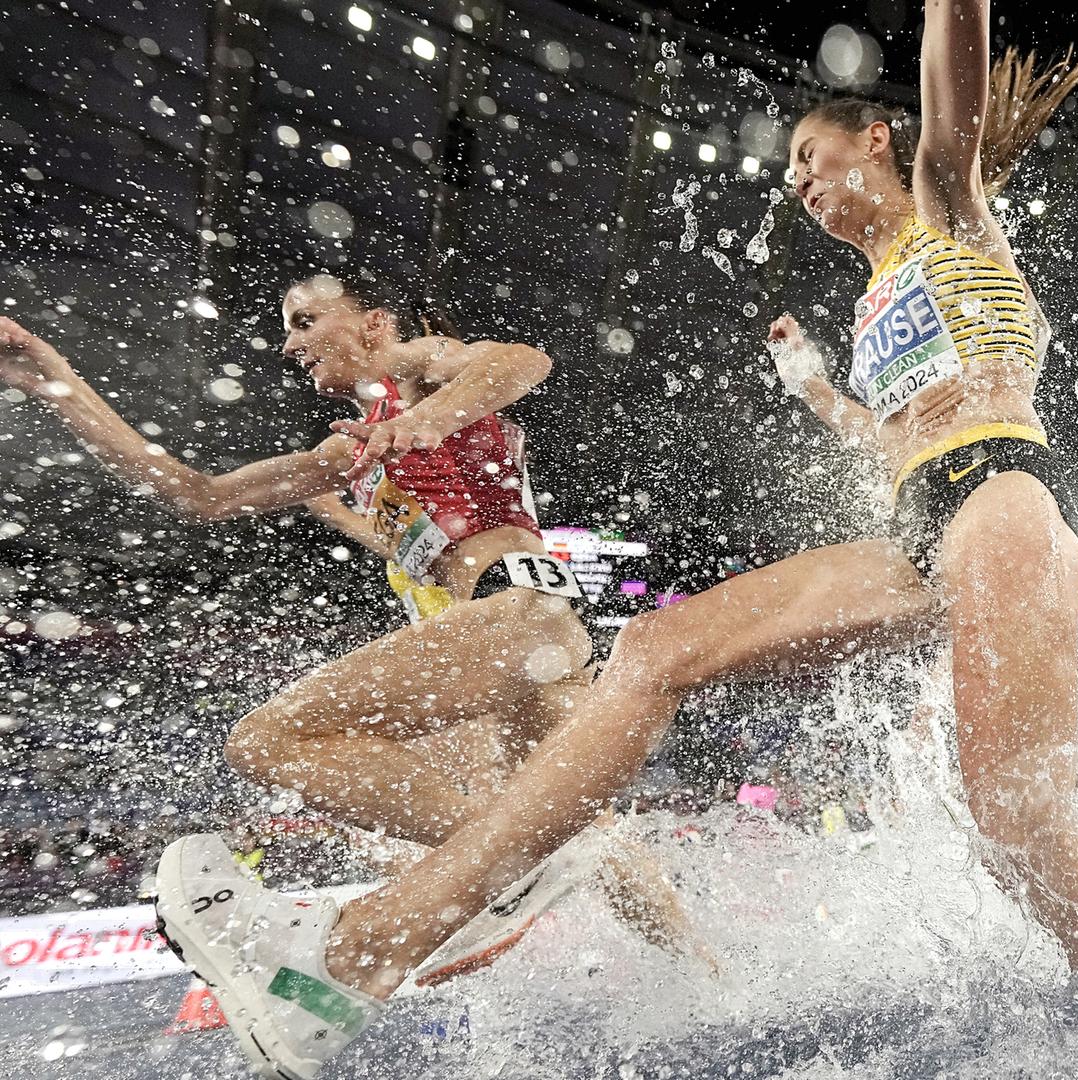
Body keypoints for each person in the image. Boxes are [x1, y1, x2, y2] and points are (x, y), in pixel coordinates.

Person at [151, 11, 1078, 1077]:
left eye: (807, 154)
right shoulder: (884, 285)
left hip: (1005, 503)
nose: (794, 180)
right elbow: (890, 435)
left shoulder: (949, 208)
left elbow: (950, 102)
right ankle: (353, 959)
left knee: (1022, 834)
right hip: (920, 521)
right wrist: (816, 391)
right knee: (648, 655)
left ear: (874, 143)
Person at [0, 280, 685, 988]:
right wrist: (56, 381)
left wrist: (428, 420)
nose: (288, 343)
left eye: (304, 321)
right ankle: (707, 980)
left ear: (373, 325)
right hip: (521, 637)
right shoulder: (353, 447)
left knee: (267, 742)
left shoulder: (417, 369)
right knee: (588, 831)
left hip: (512, 613)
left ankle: (504, 865)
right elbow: (200, 494)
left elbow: (521, 362)